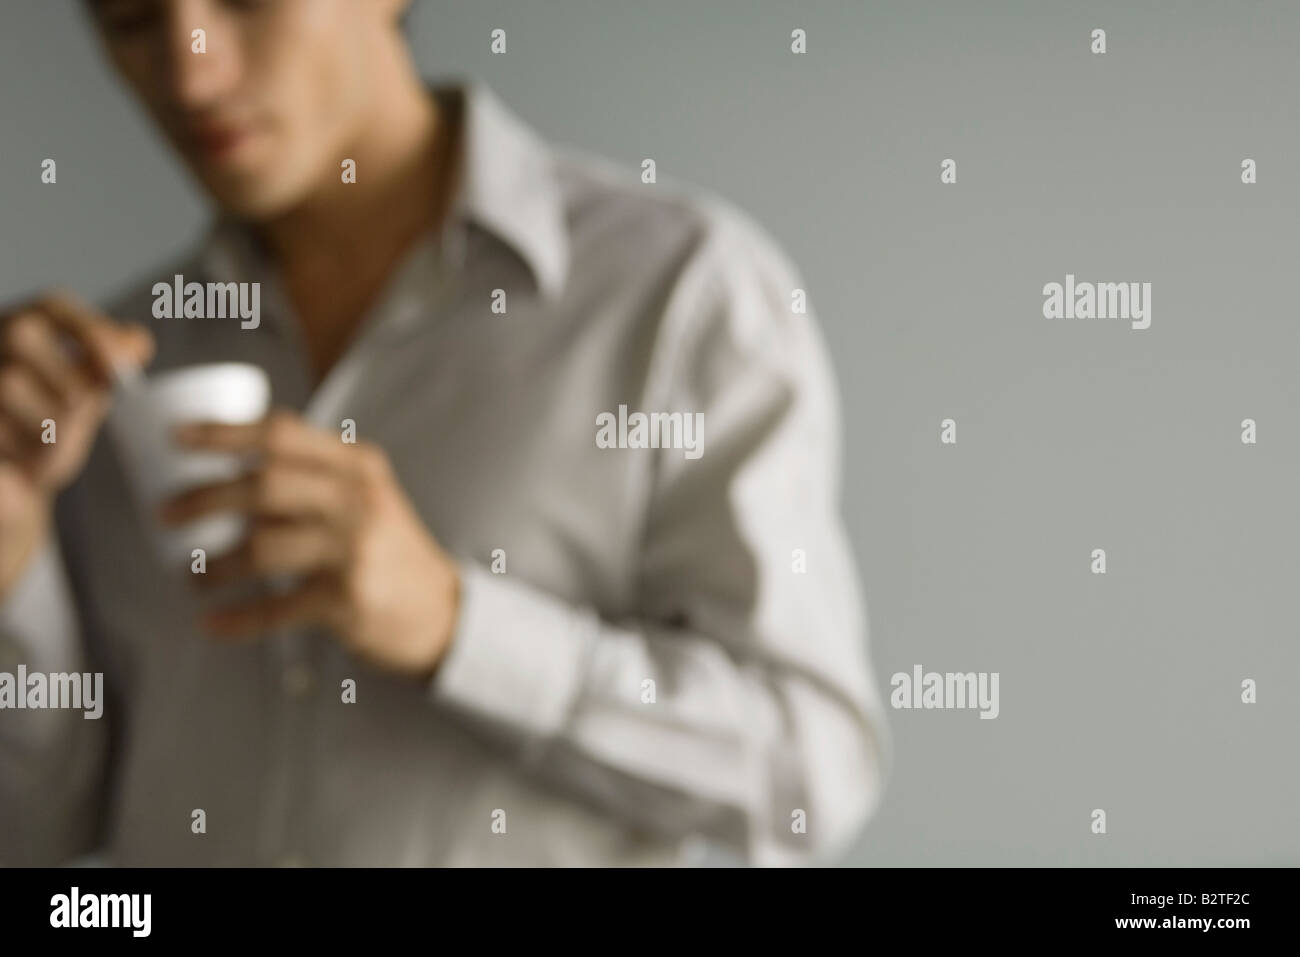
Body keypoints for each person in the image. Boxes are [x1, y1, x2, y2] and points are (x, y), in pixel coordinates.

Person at [0, 0, 889, 866]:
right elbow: (39, 832)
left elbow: (808, 773)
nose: (189, 71)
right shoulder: (113, 378)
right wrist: (14, 558)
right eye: (128, 20)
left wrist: (453, 624)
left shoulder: (677, 296)